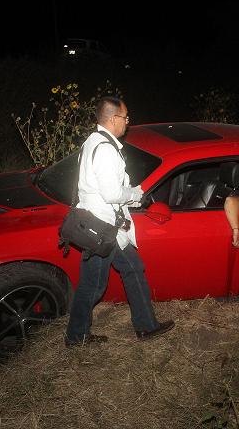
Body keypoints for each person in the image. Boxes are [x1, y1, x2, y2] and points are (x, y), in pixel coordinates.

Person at [65, 97, 175, 347]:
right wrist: (136, 194)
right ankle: (142, 327)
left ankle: (80, 335)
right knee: (107, 280)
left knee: (117, 274)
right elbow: (112, 193)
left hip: (96, 225)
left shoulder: (92, 142)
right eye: (126, 118)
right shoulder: (105, 149)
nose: (128, 122)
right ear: (113, 119)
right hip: (104, 228)